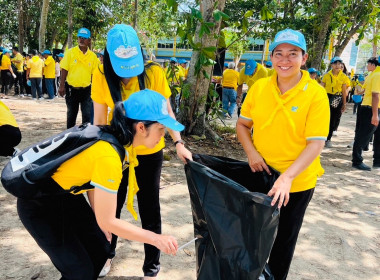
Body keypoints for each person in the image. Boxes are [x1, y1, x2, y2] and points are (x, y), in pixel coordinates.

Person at [17, 90, 181, 280]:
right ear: (142, 128)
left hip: (65, 196)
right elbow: (108, 221)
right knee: (79, 272)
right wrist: (156, 239)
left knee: (100, 250)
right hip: (38, 204)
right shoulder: (109, 156)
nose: (163, 137)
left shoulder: (117, 139)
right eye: (161, 129)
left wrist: (101, 220)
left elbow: (94, 184)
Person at [91, 24, 192, 279]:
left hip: (150, 152)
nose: (127, 75)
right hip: (117, 154)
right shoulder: (100, 73)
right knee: (109, 210)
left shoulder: (154, 73)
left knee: (150, 208)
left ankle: (152, 267)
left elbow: (166, 111)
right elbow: (99, 121)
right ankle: (105, 255)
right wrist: (99, 157)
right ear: (109, 58)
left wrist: (178, 143)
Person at [236, 28, 329, 280]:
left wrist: (287, 178)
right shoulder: (259, 88)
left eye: (292, 54)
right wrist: (252, 153)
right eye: (279, 54)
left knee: (283, 240)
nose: (284, 60)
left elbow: (315, 144)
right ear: (271, 57)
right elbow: (243, 125)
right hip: (261, 173)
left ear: (304, 58)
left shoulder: (316, 95)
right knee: (252, 234)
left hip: (296, 181)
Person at [58, 27, 98, 128]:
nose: (81, 40)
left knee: (87, 116)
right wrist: (61, 86)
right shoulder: (70, 53)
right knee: (71, 115)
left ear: (89, 41)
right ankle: (70, 139)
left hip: (86, 91)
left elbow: (94, 75)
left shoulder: (93, 57)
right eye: (80, 37)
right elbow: (64, 69)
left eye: (84, 38)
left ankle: (85, 139)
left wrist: (96, 91)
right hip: (72, 89)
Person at [351, 57, 380, 171]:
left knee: (378, 136)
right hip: (372, 109)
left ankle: (377, 160)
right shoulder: (377, 75)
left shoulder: (372, 75)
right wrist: (375, 114)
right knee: (363, 136)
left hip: (371, 108)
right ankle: (357, 160)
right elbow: (375, 95)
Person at [320, 56, 350, 148]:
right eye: (335, 63)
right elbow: (321, 88)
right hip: (327, 97)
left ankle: (328, 139)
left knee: (333, 119)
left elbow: (344, 91)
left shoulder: (344, 77)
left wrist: (344, 104)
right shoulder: (326, 75)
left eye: (339, 63)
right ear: (331, 65)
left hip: (338, 98)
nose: (337, 65)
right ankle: (321, 137)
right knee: (324, 117)